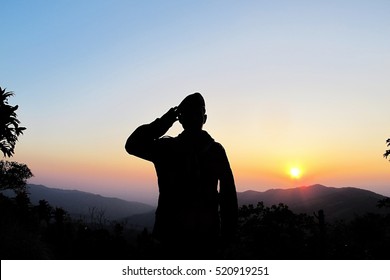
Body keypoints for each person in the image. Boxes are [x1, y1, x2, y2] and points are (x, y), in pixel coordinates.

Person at [125, 93, 238, 258]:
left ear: (181, 120)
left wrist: (165, 120)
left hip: (171, 237)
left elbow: (132, 145)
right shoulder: (215, 151)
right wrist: (227, 238)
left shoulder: (167, 148)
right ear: (204, 118)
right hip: (205, 238)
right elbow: (228, 198)